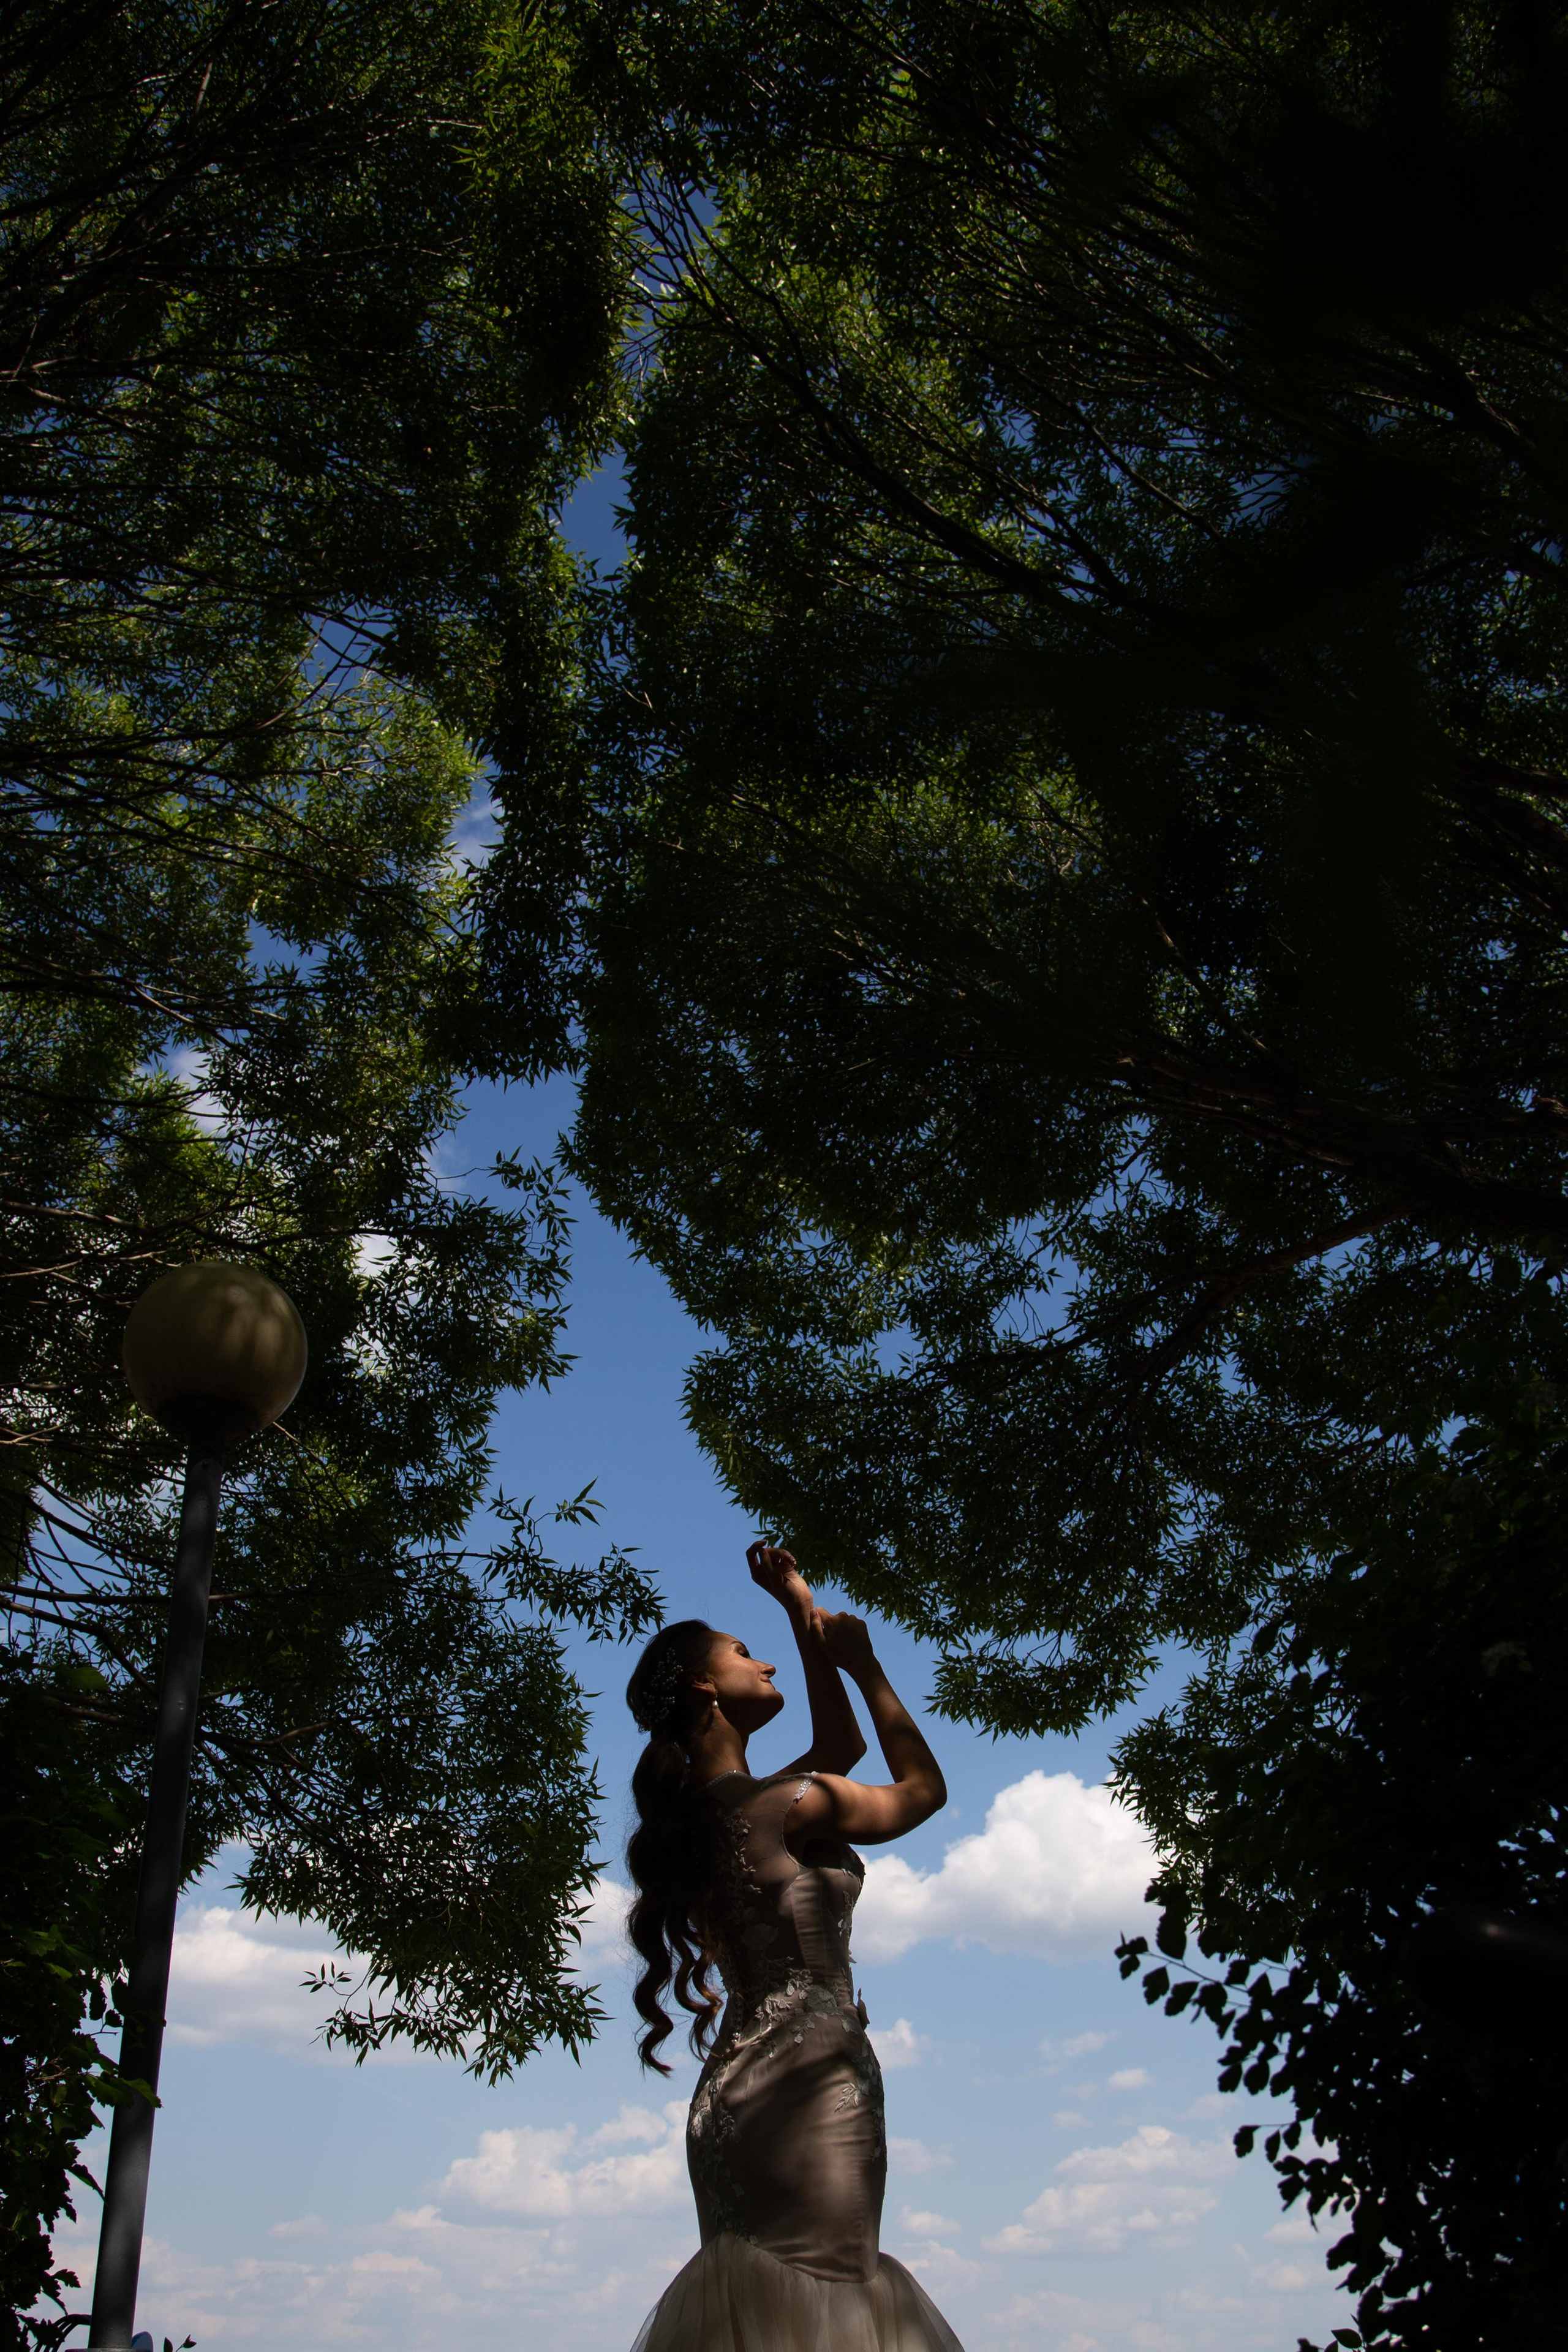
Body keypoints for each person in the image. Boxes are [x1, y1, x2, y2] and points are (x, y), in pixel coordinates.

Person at [623, 1541, 965, 2352]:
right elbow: (922, 1792)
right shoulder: (786, 1806)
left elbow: (835, 1755)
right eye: (745, 1655)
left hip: (733, 2097)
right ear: (705, 1685)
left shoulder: (705, 1820)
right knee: (832, 2304)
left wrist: (800, 1615)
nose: (767, 1663)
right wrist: (867, 1664)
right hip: (814, 2085)